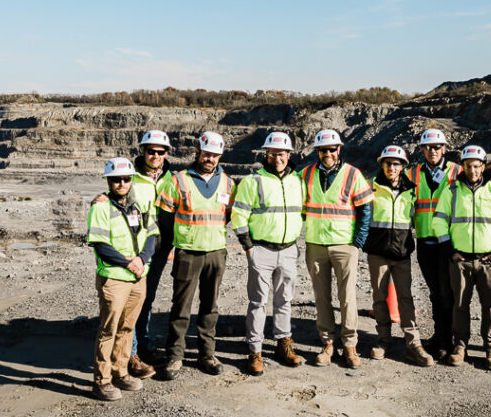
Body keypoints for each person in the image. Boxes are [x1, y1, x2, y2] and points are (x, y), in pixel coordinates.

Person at [90, 129, 173, 380]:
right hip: (135, 252)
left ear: (166, 153)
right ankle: (131, 355)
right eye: (151, 151)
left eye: (160, 152)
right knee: (130, 304)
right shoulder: (131, 177)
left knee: (145, 301)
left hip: (160, 247)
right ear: (143, 151)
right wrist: (100, 199)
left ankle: (141, 346)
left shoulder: (173, 178)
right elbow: (116, 197)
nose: (155, 155)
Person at [157, 131, 233, 379]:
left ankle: (207, 354)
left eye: (214, 155)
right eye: (206, 153)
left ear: (220, 156)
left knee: (210, 307)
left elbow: (229, 216)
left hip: (216, 253)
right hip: (188, 252)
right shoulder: (178, 180)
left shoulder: (228, 183)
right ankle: (175, 356)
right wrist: (174, 246)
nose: (210, 158)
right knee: (181, 306)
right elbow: (165, 220)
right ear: (197, 152)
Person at [433, 145, 491, 371]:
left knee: (490, 306)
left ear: (483, 166)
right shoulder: (452, 191)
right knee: (460, 305)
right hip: (460, 260)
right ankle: (460, 346)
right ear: (463, 166)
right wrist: (449, 249)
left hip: (489, 261)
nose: (472, 170)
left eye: (476, 166)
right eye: (468, 166)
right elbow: (439, 221)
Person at [231, 131, 306, 375]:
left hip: (288, 250)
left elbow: (302, 212)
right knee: (258, 302)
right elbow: (239, 215)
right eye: (273, 153)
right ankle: (255, 351)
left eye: (282, 153)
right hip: (261, 249)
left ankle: (284, 344)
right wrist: (248, 247)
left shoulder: (298, 181)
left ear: (289, 154)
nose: (278, 158)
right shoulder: (253, 181)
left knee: (285, 299)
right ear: (267, 154)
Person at [85, 157, 159, 401]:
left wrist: (142, 259)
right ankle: (102, 380)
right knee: (109, 329)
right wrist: (129, 262)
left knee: (128, 327)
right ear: (109, 180)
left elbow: (151, 234)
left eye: (126, 179)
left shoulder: (137, 206)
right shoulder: (101, 207)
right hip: (115, 278)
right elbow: (99, 244)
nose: (121, 183)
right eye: (116, 179)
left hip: (138, 277)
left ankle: (120, 371)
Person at [301, 128, 374, 369]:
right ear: (317, 152)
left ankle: (350, 345)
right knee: (321, 297)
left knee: (347, 298)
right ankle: (328, 344)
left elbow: (365, 208)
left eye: (331, 149)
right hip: (316, 244)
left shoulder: (353, 174)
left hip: (345, 245)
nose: (328, 153)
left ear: (338, 150)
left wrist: (358, 241)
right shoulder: (306, 174)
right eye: (323, 150)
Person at [364, 145, 434, 367]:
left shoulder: (412, 190)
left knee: (405, 298)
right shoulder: (371, 188)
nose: (391, 167)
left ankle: (413, 343)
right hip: (377, 253)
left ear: (403, 166)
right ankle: (383, 341)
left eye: (396, 163)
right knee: (379, 298)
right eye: (387, 163)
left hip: (402, 253)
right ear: (382, 165)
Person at [407, 128, 462, 360]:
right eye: (428, 147)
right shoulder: (412, 174)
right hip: (425, 241)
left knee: (446, 293)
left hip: (447, 242)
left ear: (445, 149)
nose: (433, 151)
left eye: (437, 147)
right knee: (435, 293)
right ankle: (440, 336)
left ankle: (447, 340)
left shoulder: (457, 172)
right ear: (422, 150)